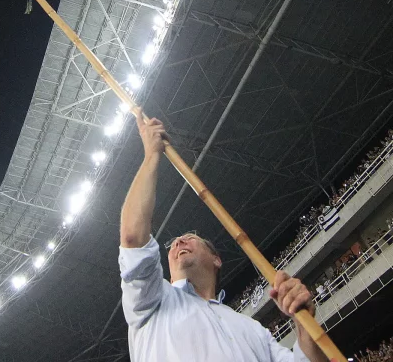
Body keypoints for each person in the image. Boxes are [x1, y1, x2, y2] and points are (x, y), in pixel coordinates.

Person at [118, 110, 331, 361]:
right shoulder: (152, 302)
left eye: (190, 238)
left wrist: (304, 326)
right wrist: (151, 155)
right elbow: (133, 239)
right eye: (174, 243)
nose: (178, 242)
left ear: (216, 259)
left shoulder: (253, 330)